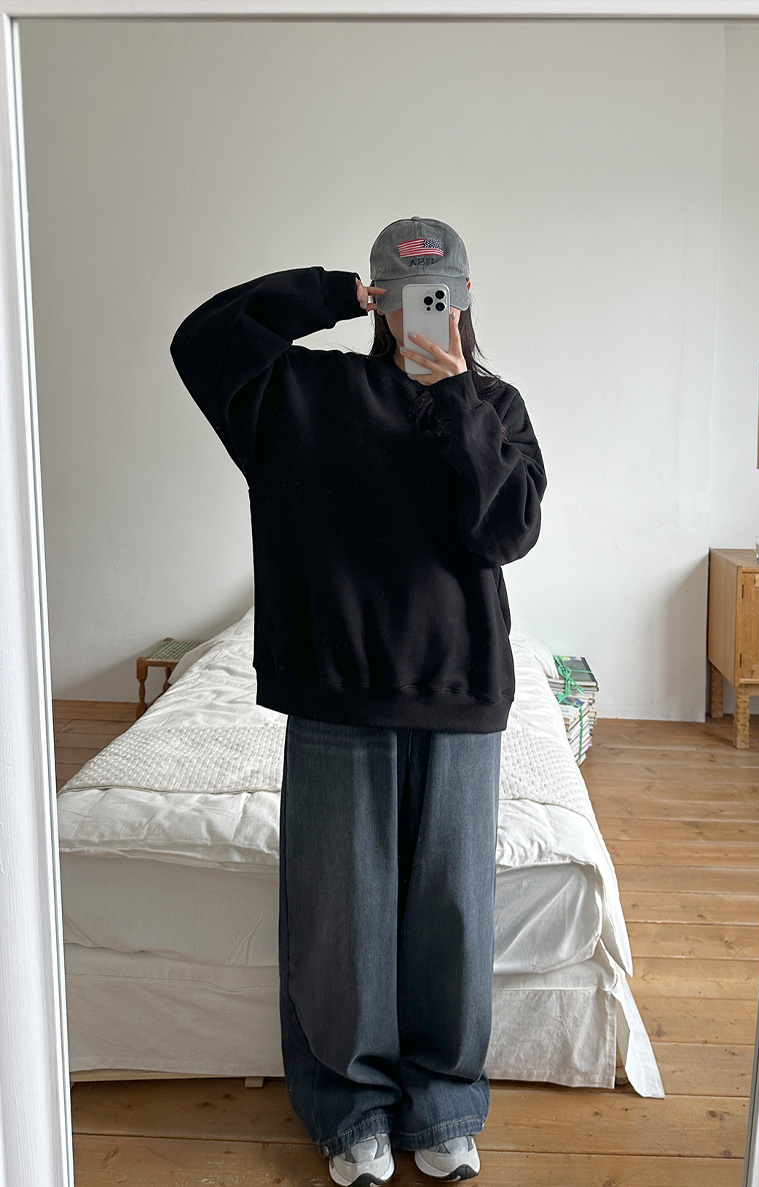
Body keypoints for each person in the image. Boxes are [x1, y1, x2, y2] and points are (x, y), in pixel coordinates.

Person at [169, 216, 547, 1185]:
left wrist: (453, 396)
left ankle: (445, 1101)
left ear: (466, 297)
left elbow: (505, 530)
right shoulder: (305, 393)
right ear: (380, 298)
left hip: (460, 692)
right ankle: (350, 1110)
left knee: (452, 912)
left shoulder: (494, 404)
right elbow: (204, 340)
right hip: (338, 692)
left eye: (441, 292)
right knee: (341, 919)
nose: (428, 308)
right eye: (405, 292)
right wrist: (329, 293)